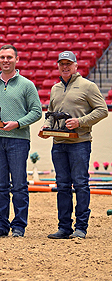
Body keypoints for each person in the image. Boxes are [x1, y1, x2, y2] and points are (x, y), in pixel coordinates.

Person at [41, 51, 108, 239]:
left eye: (68, 63)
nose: (65, 67)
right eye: (62, 64)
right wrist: (46, 127)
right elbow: (51, 113)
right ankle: (64, 227)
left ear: (76, 66)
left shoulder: (88, 86)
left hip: (79, 143)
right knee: (62, 185)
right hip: (59, 143)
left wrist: (81, 121)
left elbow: (102, 110)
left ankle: (81, 227)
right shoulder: (55, 88)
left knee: (80, 184)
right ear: (58, 66)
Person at [0, 44, 42, 238]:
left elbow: (37, 111)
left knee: (19, 184)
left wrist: (18, 123)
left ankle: (19, 226)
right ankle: (0, 226)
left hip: (18, 140)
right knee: (0, 185)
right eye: (2, 57)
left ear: (17, 60)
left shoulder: (27, 85)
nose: (6, 60)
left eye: (9, 57)